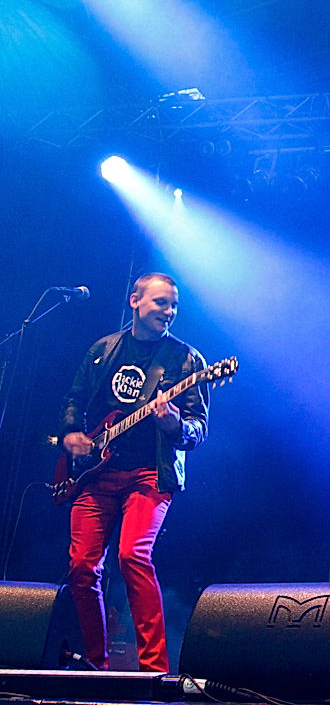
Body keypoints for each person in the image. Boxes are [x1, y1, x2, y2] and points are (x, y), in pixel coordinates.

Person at [59, 273, 209, 672]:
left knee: (132, 555)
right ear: (135, 301)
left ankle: (154, 669)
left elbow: (197, 430)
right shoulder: (103, 350)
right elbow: (74, 399)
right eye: (161, 303)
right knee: (81, 566)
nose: (169, 311)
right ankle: (96, 665)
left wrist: (174, 424)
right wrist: (72, 433)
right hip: (97, 475)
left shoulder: (186, 361)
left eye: (174, 305)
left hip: (150, 475)